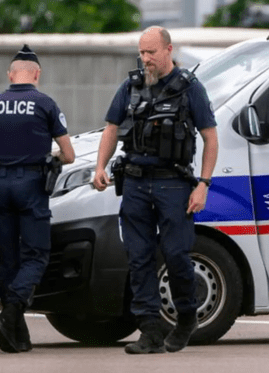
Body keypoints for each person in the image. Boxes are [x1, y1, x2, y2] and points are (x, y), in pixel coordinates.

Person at [93, 26, 218, 355]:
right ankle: (149, 330)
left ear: (168, 50)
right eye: (141, 52)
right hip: (134, 181)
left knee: (176, 255)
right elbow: (110, 128)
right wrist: (100, 167)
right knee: (139, 258)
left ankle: (187, 317)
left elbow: (210, 137)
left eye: (151, 52)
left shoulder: (190, 89)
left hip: (173, 184)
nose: (145, 58)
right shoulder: (131, 86)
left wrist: (203, 185)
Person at [0, 44, 75, 353]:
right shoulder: (46, 105)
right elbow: (68, 154)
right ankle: (10, 313)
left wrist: (1, 156)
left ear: (11, 75)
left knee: (8, 261)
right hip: (31, 186)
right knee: (37, 255)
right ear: (37, 74)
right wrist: (43, 154)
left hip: (0, 186)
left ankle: (14, 337)